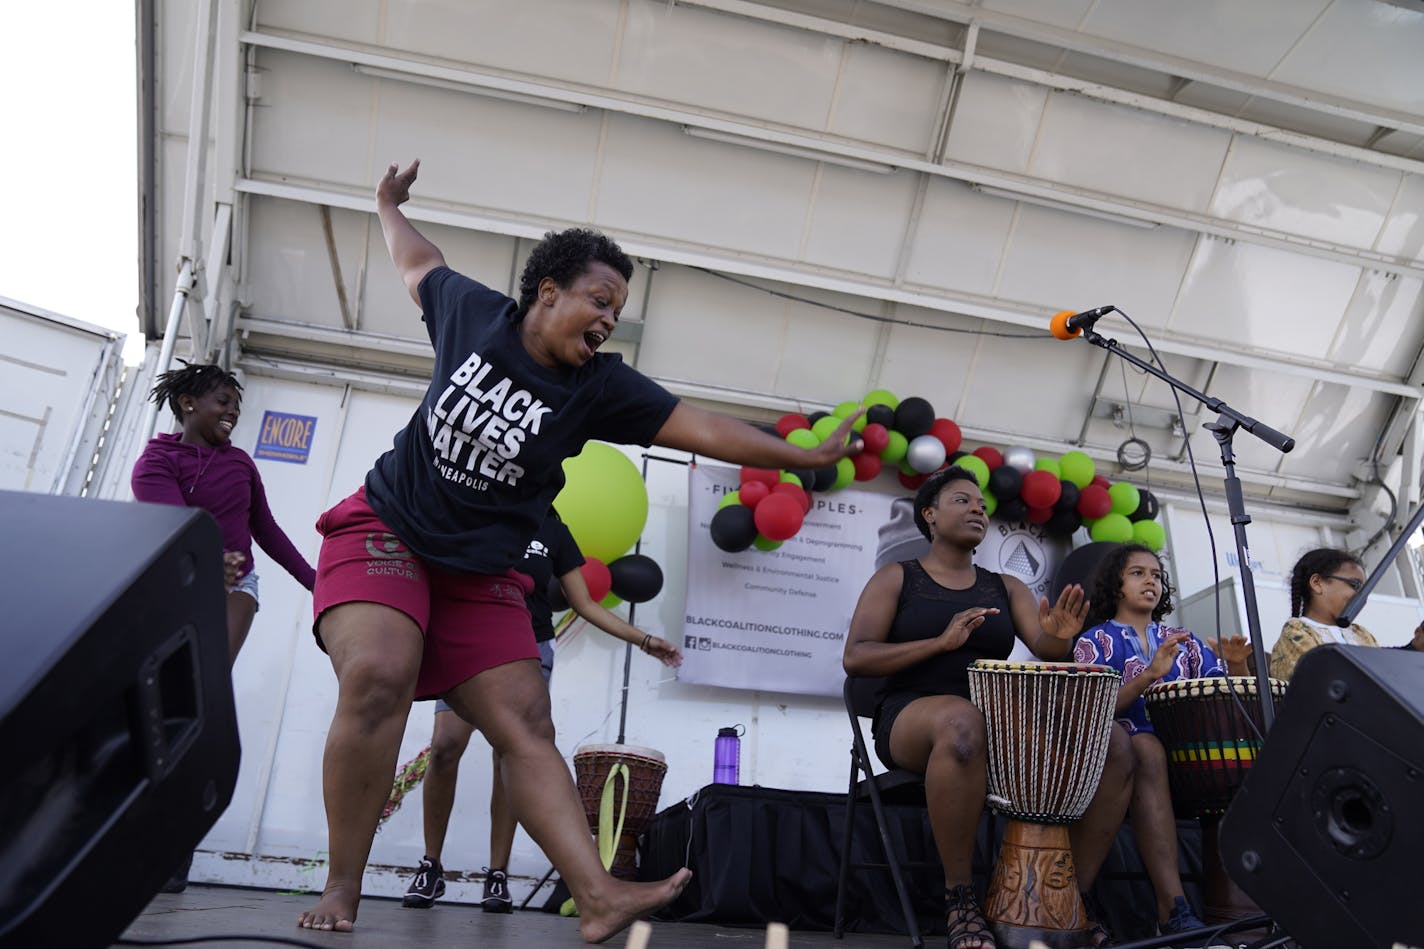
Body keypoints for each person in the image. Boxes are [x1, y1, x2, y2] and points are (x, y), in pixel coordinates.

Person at [297, 159, 865, 939]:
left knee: (527, 719)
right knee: (380, 674)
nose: (608, 319)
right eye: (599, 300)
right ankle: (342, 884)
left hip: (480, 567)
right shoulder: (471, 315)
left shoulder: (602, 387)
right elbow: (415, 260)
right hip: (387, 527)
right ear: (548, 291)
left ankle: (597, 895)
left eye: (618, 310)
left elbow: (702, 426)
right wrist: (386, 202)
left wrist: (799, 454)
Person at [843, 466, 1133, 949]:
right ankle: (960, 899)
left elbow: (1047, 647)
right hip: (914, 718)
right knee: (961, 723)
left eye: (980, 503)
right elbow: (857, 657)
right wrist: (940, 642)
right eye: (962, 500)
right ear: (930, 515)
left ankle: (1068, 898)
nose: (978, 508)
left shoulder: (1007, 586)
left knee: (1115, 743)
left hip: (997, 724)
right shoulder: (897, 578)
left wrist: (1060, 635)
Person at [402, 510, 681, 912]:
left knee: (510, 756)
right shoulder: (484, 504)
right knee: (446, 746)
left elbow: (583, 602)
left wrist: (645, 639)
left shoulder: (553, 528)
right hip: (468, 637)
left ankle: (497, 875)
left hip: (527, 647)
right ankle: (431, 866)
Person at [131, 362, 317, 892]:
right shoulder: (156, 462)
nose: (233, 411)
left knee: (201, 695)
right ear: (188, 403)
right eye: (222, 401)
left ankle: (176, 850)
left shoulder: (239, 463)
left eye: (236, 404)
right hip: (176, 590)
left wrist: (318, 583)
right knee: (165, 714)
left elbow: (267, 531)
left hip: (237, 589)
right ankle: (142, 831)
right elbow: (173, 531)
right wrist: (210, 560)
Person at [1073, 543, 1249, 945]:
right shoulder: (1094, 641)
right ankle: (1173, 908)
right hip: (1113, 761)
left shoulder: (1182, 640)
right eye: (1137, 573)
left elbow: (1222, 695)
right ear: (1115, 584)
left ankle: (1177, 910)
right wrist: (1150, 674)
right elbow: (1092, 710)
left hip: (1187, 764)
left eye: (1156, 574)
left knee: (1153, 749)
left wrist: (1237, 664)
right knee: (1146, 747)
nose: (1150, 580)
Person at [1271, 546, 1424, 680]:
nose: (1360, 596)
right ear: (1317, 583)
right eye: (1355, 585)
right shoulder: (1296, 630)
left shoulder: (1361, 633)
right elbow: (1318, 679)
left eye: (1364, 590)